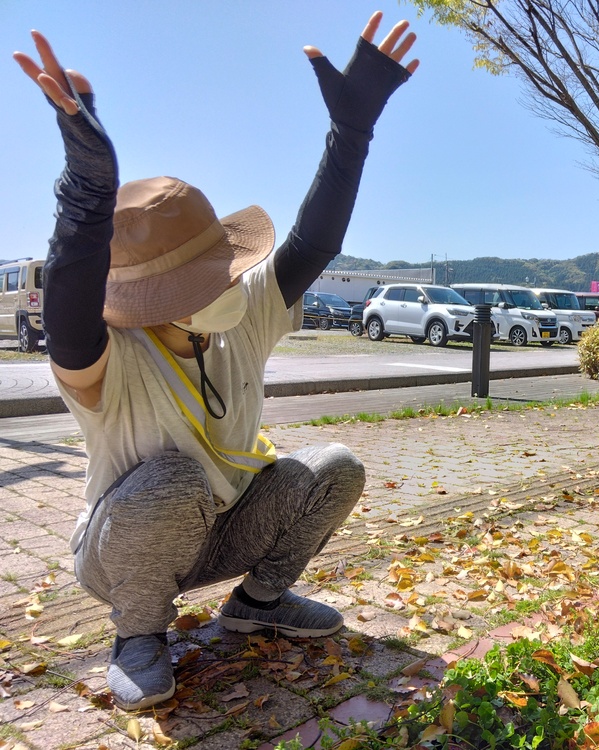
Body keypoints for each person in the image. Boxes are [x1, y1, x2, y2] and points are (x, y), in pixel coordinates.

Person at [13, 12, 419, 712]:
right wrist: (86, 190)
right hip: (124, 551)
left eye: (225, 268)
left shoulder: (241, 315)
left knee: (331, 467)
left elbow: (311, 243)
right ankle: (137, 636)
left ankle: (260, 601)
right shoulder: (106, 361)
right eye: (205, 279)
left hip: (219, 527)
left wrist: (352, 134)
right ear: (152, 299)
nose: (233, 284)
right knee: (168, 481)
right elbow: (70, 299)